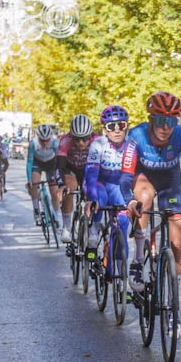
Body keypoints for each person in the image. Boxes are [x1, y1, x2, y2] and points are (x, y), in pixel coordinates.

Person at [121, 91, 181, 285]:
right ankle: (138, 260)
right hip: (144, 177)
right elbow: (125, 175)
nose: (165, 128)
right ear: (150, 120)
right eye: (159, 121)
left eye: (171, 122)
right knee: (144, 195)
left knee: (176, 241)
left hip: (170, 182)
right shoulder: (137, 135)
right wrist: (129, 200)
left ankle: (173, 289)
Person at [81, 106, 133, 267]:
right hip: (98, 182)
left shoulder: (131, 145)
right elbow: (91, 174)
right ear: (105, 129)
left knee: (123, 222)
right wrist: (92, 198)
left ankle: (118, 269)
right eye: (111, 126)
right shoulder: (98, 144)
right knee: (100, 200)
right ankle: (94, 231)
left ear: (126, 127)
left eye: (121, 125)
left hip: (118, 185)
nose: (117, 130)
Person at [56, 113, 97, 252]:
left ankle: (92, 228)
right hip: (71, 169)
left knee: (93, 191)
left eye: (85, 139)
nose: (81, 142)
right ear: (71, 136)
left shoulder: (97, 140)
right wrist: (62, 185)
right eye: (77, 139)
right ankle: (67, 227)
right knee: (70, 187)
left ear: (90, 136)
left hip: (89, 170)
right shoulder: (65, 141)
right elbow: (60, 167)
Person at [24, 123, 63, 228]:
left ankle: (56, 216)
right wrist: (29, 180)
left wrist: (60, 178)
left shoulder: (55, 143)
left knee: (55, 193)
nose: (45, 143)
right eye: (42, 140)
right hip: (37, 163)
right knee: (34, 184)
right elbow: (29, 162)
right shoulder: (33, 143)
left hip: (51, 164)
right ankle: (36, 209)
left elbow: (59, 161)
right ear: (38, 138)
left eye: (47, 140)